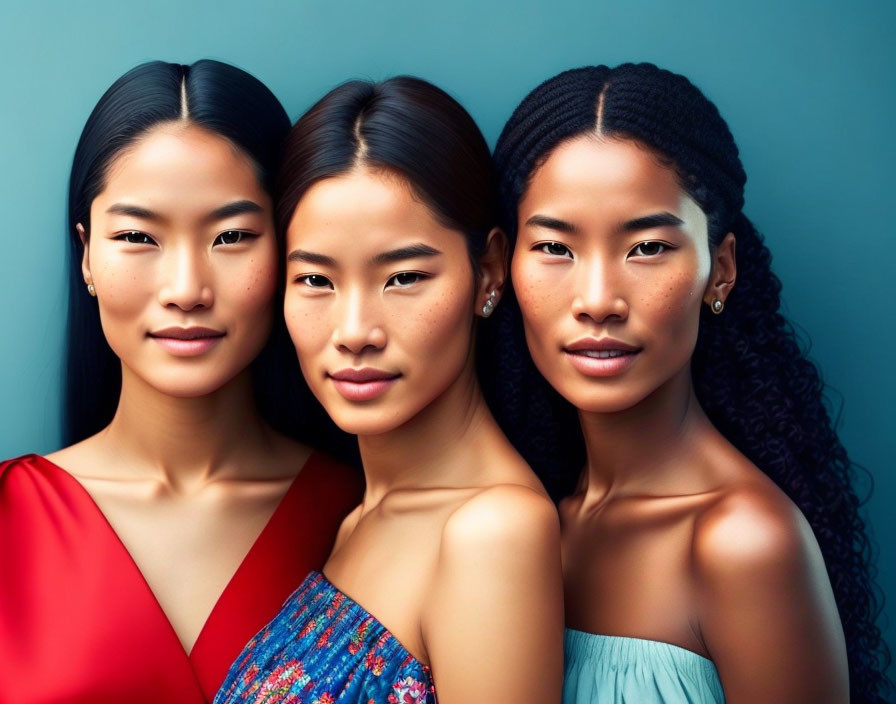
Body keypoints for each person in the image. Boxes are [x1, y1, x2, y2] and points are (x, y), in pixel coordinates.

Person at [485, 62, 892, 703]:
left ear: (720, 270)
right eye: (555, 248)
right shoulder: (531, 520)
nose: (597, 300)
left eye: (647, 247)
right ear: (503, 266)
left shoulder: (743, 543)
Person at [0, 60, 361, 704]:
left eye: (232, 236)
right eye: (139, 236)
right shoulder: (9, 519)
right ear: (86, 253)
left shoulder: (362, 515)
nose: (187, 290)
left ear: (289, 250)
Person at [215, 76, 564, 704]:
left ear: (487, 271)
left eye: (402, 277)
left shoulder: (494, 532)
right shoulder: (358, 518)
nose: (354, 333)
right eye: (316, 280)